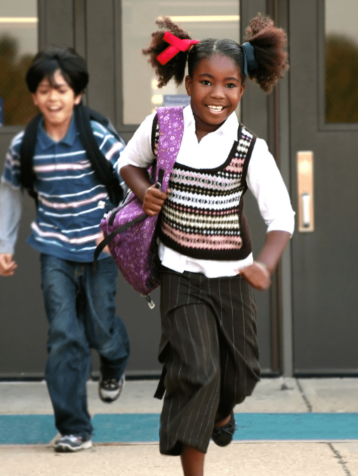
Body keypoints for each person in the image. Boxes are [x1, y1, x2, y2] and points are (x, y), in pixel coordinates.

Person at [117, 16, 293, 476]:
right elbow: (128, 164)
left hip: (233, 279)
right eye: (206, 82)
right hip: (180, 276)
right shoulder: (162, 127)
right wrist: (142, 191)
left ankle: (223, 410)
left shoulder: (250, 148)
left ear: (243, 89)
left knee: (240, 374)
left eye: (230, 84)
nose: (217, 94)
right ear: (188, 83)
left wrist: (265, 266)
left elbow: (282, 217)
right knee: (196, 373)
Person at [0, 47, 130, 453]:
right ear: (34, 97)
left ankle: (114, 364)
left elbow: (130, 182)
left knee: (101, 331)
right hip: (53, 247)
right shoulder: (25, 144)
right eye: (44, 90)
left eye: (61, 89)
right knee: (63, 335)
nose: (53, 97)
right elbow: (9, 192)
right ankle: (75, 428)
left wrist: (113, 230)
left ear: (77, 95)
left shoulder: (97, 135)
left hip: (99, 249)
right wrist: (4, 244)